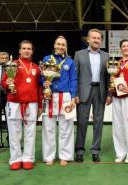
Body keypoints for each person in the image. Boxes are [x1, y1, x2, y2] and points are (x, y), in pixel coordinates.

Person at [1, 40, 42, 170]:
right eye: (24, 48)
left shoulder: (36, 67)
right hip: (14, 102)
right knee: (14, 133)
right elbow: (3, 82)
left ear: (32, 51)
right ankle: (15, 159)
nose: (26, 51)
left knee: (30, 133)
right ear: (19, 51)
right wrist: (8, 84)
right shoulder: (12, 65)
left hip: (32, 103)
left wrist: (40, 105)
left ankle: (28, 158)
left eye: (29, 49)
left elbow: (40, 88)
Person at [74, 28, 111, 163]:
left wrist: (109, 94)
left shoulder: (106, 56)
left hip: (100, 92)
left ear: (101, 40)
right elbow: (75, 76)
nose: (96, 40)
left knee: (98, 123)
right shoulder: (78, 54)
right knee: (82, 123)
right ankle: (79, 151)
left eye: (98, 38)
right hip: (83, 92)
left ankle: (95, 150)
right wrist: (76, 94)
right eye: (93, 37)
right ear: (88, 39)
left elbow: (109, 78)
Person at [41, 36, 77, 166]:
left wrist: (73, 96)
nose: (60, 46)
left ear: (65, 47)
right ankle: (49, 156)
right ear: (54, 45)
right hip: (49, 95)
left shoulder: (70, 62)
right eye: (58, 44)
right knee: (48, 128)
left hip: (65, 96)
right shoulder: (47, 59)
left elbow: (73, 80)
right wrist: (44, 83)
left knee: (66, 128)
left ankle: (65, 156)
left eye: (63, 44)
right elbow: (42, 75)